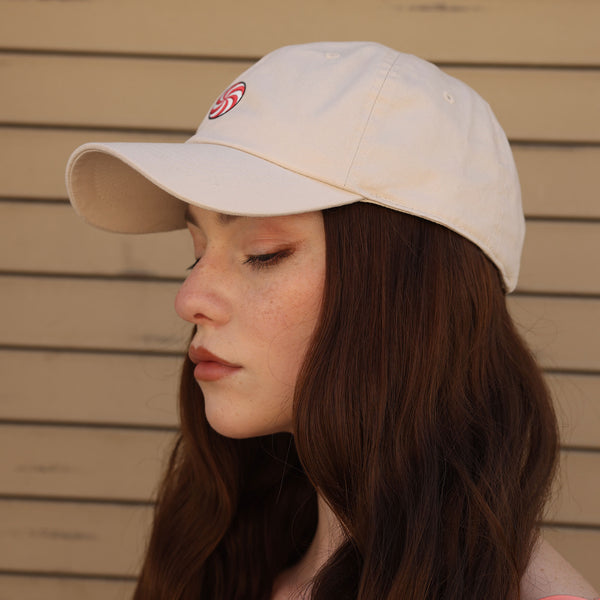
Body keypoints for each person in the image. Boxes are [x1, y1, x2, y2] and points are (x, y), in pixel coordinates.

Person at [65, 42, 598, 600]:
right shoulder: (222, 564)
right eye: (197, 249)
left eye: (263, 252)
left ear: (413, 296)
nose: (190, 297)